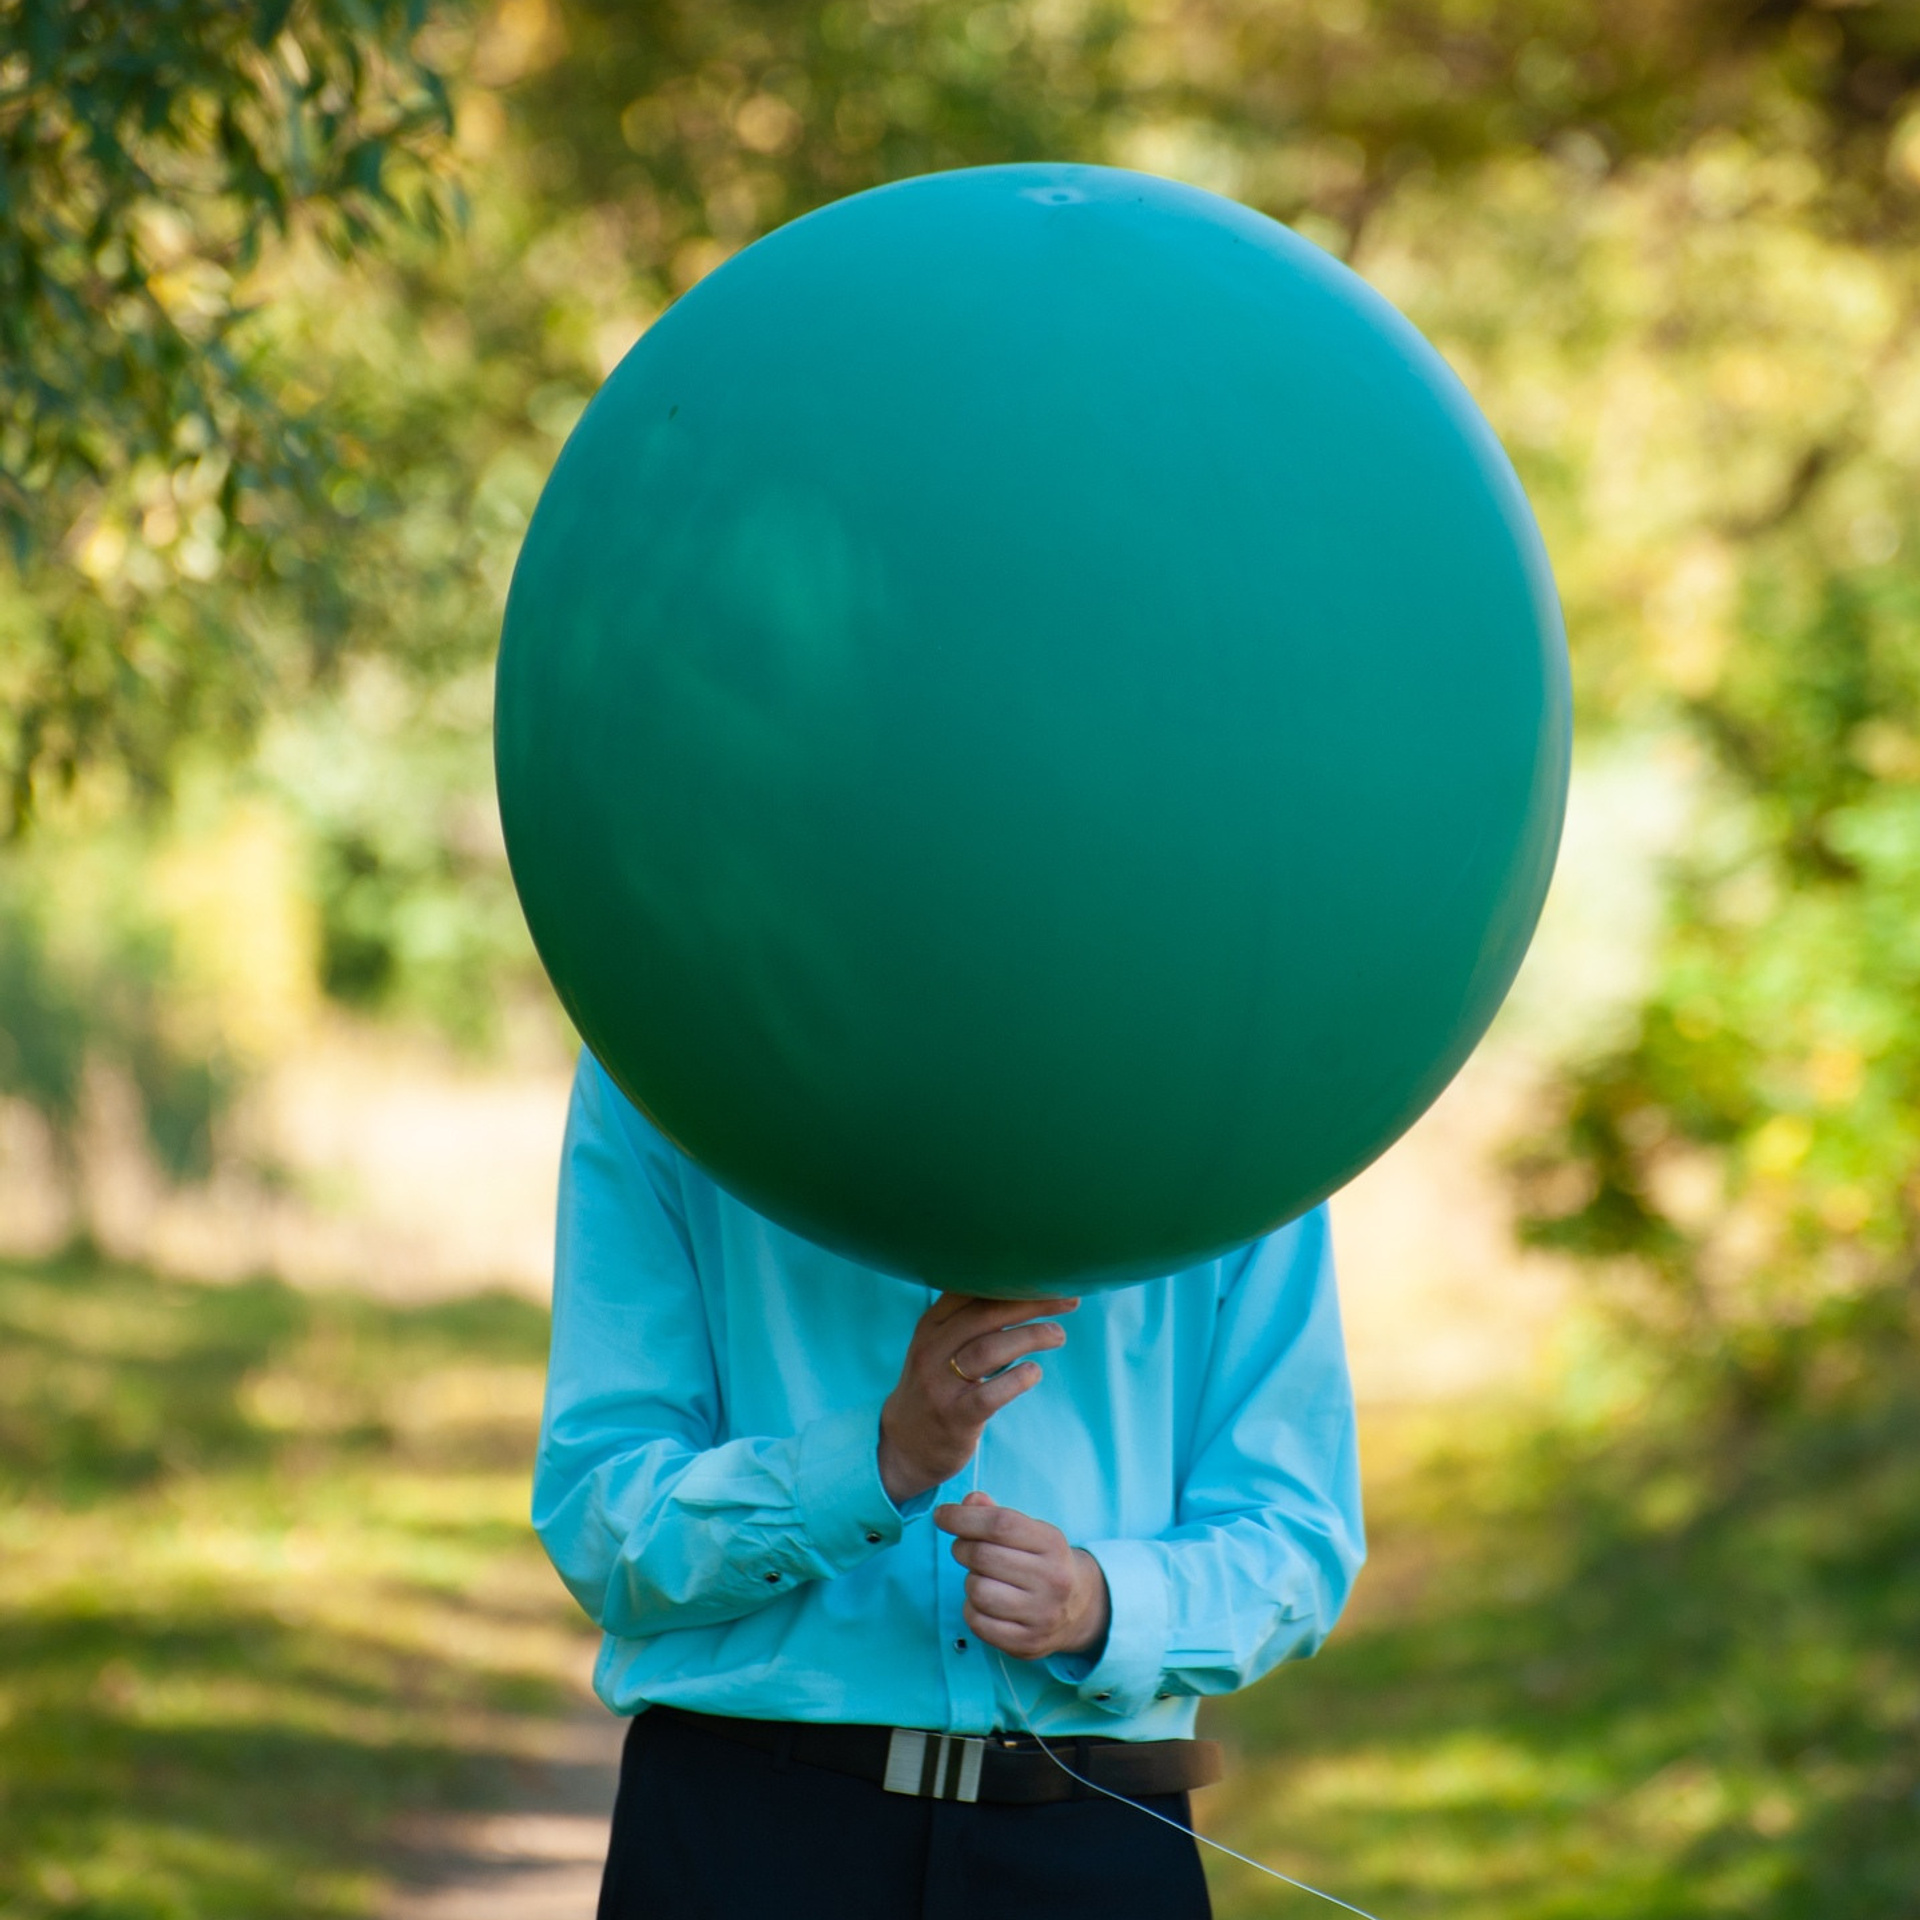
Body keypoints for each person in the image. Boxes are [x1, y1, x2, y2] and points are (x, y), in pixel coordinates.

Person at [534, 1051, 1365, 1919]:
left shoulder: (1256, 1085)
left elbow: (1298, 1536)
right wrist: (877, 1464)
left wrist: (1100, 1604)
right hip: (745, 1835)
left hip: (1100, 1840)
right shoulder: (658, 1041)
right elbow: (603, 1518)